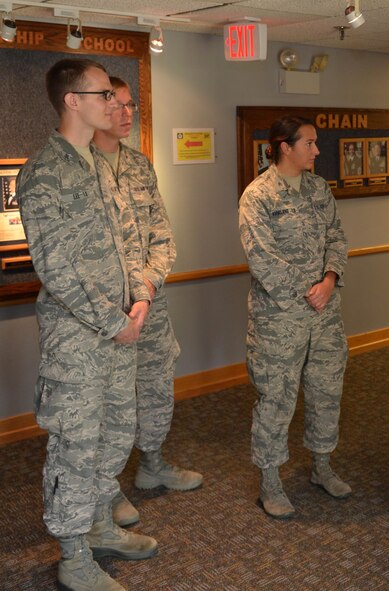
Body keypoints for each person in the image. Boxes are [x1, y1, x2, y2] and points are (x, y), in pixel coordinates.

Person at [17, 58, 158, 591]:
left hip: (123, 328)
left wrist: (140, 299)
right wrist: (111, 320)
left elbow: (132, 243)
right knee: (75, 444)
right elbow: (54, 266)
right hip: (78, 340)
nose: (115, 104)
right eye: (103, 95)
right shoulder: (43, 172)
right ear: (73, 100)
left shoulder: (102, 166)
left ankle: (100, 525)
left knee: (115, 434)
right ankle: (73, 555)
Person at [92, 76, 203, 528]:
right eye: (116, 104)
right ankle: (107, 486)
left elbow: (163, 233)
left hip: (150, 305)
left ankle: (152, 463)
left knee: (156, 385)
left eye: (130, 104)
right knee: (110, 399)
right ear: (95, 109)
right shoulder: (82, 169)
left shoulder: (139, 165)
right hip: (109, 312)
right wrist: (128, 302)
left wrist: (149, 289)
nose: (125, 112)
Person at [238, 115, 350, 519]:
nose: (317, 151)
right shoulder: (258, 196)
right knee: (276, 399)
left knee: (326, 391)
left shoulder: (319, 189)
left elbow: (336, 235)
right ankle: (270, 481)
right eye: (310, 144)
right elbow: (261, 259)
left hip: (325, 315)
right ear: (284, 146)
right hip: (279, 319)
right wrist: (311, 289)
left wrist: (330, 278)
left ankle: (322, 465)